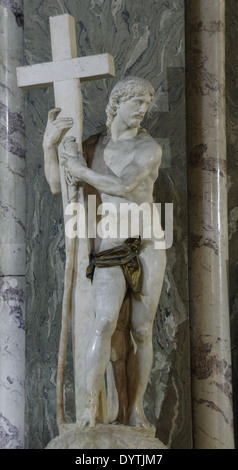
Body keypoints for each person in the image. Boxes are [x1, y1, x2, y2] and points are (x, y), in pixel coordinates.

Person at [43, 76, 166, 430]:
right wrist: (49, 146)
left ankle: (134, 411)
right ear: (117, 102)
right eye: (137, 103)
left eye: (147, 104)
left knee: (142, 331)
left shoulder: (149, 148)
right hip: (110, 247)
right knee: (103, 322)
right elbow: (58, 185)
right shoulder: (91, 146)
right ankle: (87, 412)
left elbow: (125, 185)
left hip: (147, 246)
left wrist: (80, 171)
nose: (143, 111)